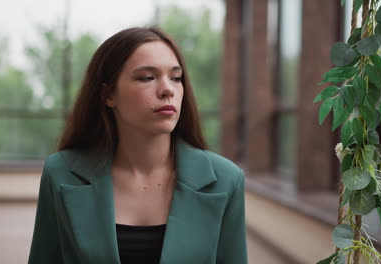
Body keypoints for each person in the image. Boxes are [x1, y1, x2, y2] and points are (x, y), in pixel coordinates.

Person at [28, 27, 248, 264]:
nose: (167, 90)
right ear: (108, 94)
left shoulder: (226, 180)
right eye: (147, 77)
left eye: (175, 78)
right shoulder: (61, 172)